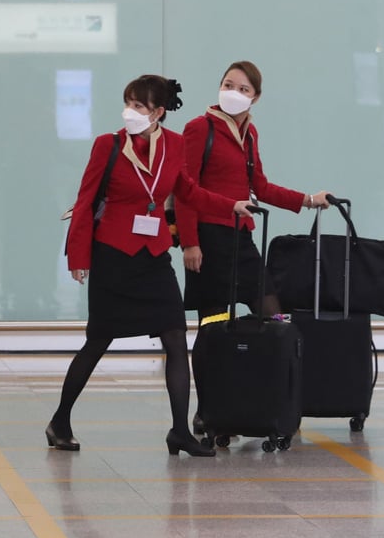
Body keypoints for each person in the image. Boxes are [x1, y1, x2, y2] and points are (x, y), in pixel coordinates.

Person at [49, 75, 253, 457]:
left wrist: (231, 204)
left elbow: (188, 191)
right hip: (113, 255)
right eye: (128, 103)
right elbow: (85, 201)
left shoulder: (175, 146)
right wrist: (78, 258)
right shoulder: (107, 146)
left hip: (155, 255)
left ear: (159, 112)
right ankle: (60, 420)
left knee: (176, 337)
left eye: (140, 106)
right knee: (98, 342)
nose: (131, 112)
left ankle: (180, 430)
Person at [175, 61, 330, 435]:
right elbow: (184, 188)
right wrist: (190, 242)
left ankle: (268, 399)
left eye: (243, 88)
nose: (233, 91)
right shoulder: (199, 128)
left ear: (255, 97)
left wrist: (307, 199)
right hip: (209, 238)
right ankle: (208, 408)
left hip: (240, 236)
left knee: (271, 314)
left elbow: (259, 184)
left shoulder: (249, 134)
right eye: (228, 84)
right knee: (211, 327)